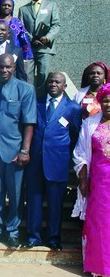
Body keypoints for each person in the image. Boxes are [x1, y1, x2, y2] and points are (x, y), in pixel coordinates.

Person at [0, 54, 36, 248]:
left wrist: (25, 150)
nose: (4, 71)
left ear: (14, 68)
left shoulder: (26, 89)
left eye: (8, 67)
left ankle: (13, 231)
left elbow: (29, 123)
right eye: (1, 68)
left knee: (15, 194)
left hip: (14, 151)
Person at [25, 72, 82, 250]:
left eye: (58, 82)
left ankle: (53, 239)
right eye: (51, 81)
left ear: (64, 86)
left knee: (55, 204)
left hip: (57, 163)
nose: (54, 84)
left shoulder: (73, 108)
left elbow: (74, 136)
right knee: (34, 202)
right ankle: (33, 237)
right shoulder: (37, 103)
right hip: (35, 162)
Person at [72, 83, 110, 276]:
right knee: (100, 222)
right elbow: (80, 153)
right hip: (99, 182)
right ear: (100, 102)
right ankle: (100, 267)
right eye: (105, 100)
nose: (109, 103)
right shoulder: (90, 123)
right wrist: (83, 179)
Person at [18, 0, 61, 93]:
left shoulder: (51, 6)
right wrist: (31, 39)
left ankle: (42, 101)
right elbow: (20, 27)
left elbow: (56, 25)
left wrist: (47, 37)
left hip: (45, 48)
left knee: (43, 74)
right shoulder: (23, 9)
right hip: (29, 48)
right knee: (28, 75)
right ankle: (30, 98)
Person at [0, 0, 32, 81]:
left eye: (9, 5)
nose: (6, 7)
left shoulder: (17, 21)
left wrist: (25, 58)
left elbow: (24, 41)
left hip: (15, 54)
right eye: (4, 5)